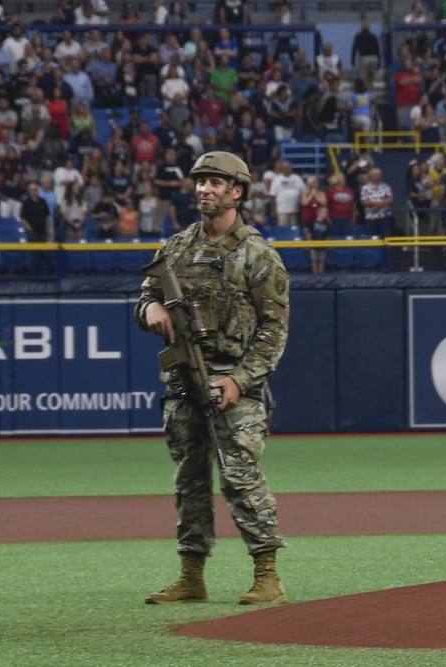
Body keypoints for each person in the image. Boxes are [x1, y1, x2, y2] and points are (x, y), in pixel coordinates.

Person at [137, 151, 290, 606]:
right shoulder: (177, 247)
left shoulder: (259, 256)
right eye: (200, 181)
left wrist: (240, 381)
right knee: (189, 481)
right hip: (185, 381)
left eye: (215, 182)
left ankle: (268, 575)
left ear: (236, 192)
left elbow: (273, 331)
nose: (204, 188)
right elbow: (146, 295)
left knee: (240, 476)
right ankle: (192, 576)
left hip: (234, 384)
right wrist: (151, 309)